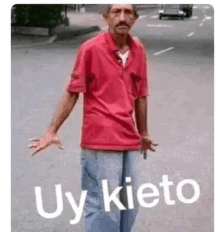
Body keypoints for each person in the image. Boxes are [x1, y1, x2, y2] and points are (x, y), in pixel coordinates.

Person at [29, 4, 158, 232]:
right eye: (116, 12)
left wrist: (144, 133)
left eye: (128, 12)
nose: (122, 17)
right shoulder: (90, 49)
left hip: (130, 140)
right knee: (104, 209)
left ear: (135, 19)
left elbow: (141, 95)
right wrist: (51, 129)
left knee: (130, 206)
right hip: (100, 142)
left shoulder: (138, 49)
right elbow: (72, 91)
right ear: (106, 17)